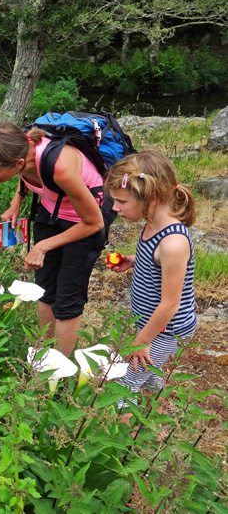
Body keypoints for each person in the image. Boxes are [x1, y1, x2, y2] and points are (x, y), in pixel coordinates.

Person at [0, 122, 107, 356]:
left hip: (83, 221)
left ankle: (59, 367)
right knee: (45, 287)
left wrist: (43, 246)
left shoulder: (61, 168)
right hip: (51, 211)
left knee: (67, 298)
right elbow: (25, 174)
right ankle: (43, 352)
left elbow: (94, 223)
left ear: (18, 163)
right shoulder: (22, 149)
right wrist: (17, 202)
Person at [104, 151, 196, 425]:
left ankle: (125, 446)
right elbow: (157, 267)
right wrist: (133, 261)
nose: (115, 208)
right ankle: (155, 422)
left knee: (120, 386)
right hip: (150, 324)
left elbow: (170, 304)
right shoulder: (152, 225)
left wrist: (141, 340)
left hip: (167, 331)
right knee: (148, 376)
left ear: (151, 199)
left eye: (121, 201)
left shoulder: (173, 243)